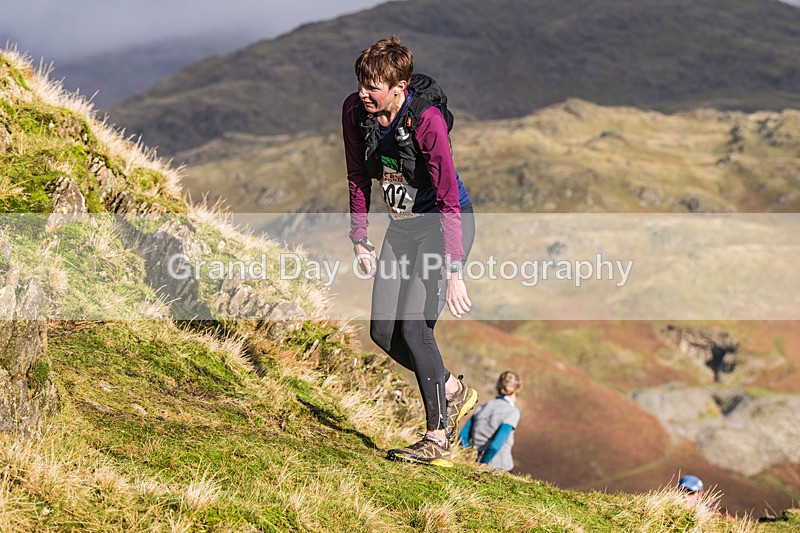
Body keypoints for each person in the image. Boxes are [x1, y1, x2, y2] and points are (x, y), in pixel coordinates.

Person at [342, 36, 478, 466]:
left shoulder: (426, 121)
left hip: (441, 226)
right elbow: (356, 174)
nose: (363, 92)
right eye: (361, 82)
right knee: (383, 332)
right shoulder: (354, 112)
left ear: (399, 86)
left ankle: (437, 437)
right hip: (401, 229)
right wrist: (360, 236)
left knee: (415, 327)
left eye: (373, 86)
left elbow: (448, 200)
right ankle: (452, 390)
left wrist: (453, 271)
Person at [458, 371, 522, 472]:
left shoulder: (482, 408)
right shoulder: (512, 412)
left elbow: (462, 436)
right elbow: (496, 444)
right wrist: (484, 462)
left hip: (475, 463)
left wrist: (470, 456)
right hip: (501, 467)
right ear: (516, 390)